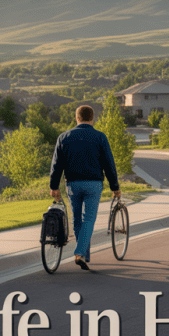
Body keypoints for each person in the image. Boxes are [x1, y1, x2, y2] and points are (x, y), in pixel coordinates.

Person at [49, 105, 120, 270]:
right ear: (92, 118)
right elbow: (109, 164)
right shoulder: (100, 137)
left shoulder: (64, 137)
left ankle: (85, 255)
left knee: (77, 219)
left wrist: (54, 186)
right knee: (89, 219)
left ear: (77, 118)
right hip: (93, 184)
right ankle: (80, 253)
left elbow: (56, 164)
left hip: (72, 184)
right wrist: (114, 186)